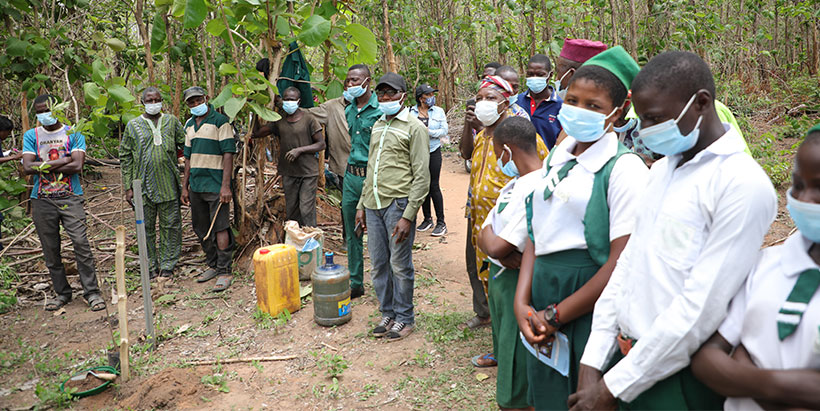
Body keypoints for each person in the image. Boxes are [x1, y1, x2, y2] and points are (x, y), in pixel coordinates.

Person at [569, 51, 778, 411]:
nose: (645, 130)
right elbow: (628, 266)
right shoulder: (662, 171)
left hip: (679, 377)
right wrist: (593, 361)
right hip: (627, 364)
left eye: (655, 118)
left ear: (701, 103)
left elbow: (701, 307)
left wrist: (612, 388)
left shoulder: (741, 185)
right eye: (642, 119)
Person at [501, 46, 648, 409]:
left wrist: (557, 314)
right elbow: (536, 232)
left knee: (580, 394)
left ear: (617, 113)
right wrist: (522, 302)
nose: (579, 110)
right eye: (573, 100)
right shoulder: (558, 156)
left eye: (593, 105)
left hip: (588, 297)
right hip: (541, 288)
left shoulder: (623, 169)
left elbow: (621, 261)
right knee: (547, 392)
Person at [690, 124, 820, 410]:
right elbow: (707, 358)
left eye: (819, 188)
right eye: (798, 185)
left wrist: (743, 366)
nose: (804, 199)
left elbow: (729, 361)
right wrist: (781, 387)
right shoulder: (766, 265)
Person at [468, 76, 549, 367]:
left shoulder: (521, 136)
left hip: (511, 236)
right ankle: (500, 347)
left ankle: (516, 352)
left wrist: (513, 247)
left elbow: (540, 176)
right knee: (493, 290)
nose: (483, 104)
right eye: (479, 98)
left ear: (506, 101)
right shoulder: (481, 136)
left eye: (490, 98)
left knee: (513, 293)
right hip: (483, 225)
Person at [476, 116, 545, 410]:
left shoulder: (537, 188)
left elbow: (493, 242)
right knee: (505, 347)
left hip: (519, 283)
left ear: (507, 151)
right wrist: (495, 247)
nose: (498, 160)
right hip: (502, 276)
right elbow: (483, 232)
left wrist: (494, 244)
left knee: (517, 361)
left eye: (497, 153)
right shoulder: (513, 186)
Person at [355, 72, 430, 341]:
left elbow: (422, 175)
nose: (386, 97)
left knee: (399, 264)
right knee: (378, 264)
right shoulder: (378, 124)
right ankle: (387, 313)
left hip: (398, 205)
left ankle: (405, 317)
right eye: (381, 93)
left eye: (391, 93)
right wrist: (362, 205)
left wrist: (409, 215)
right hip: (373, 204)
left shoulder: (414, 127)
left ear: (403, 96)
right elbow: (371, 168)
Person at [22, 94, 105, 311]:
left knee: (81, 243)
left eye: (46, 110)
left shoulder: (74, 133)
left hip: (70, 196)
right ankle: (62, 293)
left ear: (57, 108)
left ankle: (92, 292)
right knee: (50, 250)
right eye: (39, 112)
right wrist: (65, 159)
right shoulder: (31, 135)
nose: (44, 115)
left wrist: (44, 165)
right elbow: (27, 167)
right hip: (42, 199)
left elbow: (77, 166)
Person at [120, 87, 185, 279]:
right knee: (144, 227)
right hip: (142, 186)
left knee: (171, 226)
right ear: (142, 102)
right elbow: (125, 156)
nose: (154, 103)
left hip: (168, 183)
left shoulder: (172, 121)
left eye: (157, 100)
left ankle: (167, 265)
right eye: (149, 100)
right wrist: (128, 187)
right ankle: (149, 266)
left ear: (161, 101)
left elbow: (185, 145)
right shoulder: (133, 125)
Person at [180, 86, 237, 292]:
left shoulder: (220, 122)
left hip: (216, 184)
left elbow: (228, 154)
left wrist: (225, 186)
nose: (196, 104)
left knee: (220, 226)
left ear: (206, 98)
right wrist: (185, 187)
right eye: (191, 102)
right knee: (201, 227)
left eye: (198, 100)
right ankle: (212, 264)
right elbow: (187, 158)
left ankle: (224, 270)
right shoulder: (188, 125)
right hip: (197, 184)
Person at [254, 87, 325, 227]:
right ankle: (294, 237)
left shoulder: (309, 119)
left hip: (308, 172)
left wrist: (299, 150)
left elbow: (321, 144)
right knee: (292, 210)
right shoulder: (279, 119)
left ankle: (311, 236)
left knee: (306, 208)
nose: (288, 102)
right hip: (289, 171)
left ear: (298, 101)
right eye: (286, 99)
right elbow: (257, 133)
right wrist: (255, 111)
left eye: (292, 99)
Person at [342, 64, 382, 299]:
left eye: (355, 80)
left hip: (373, 178)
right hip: (351, 178)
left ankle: (383, 285)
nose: (351, 84)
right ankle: (356, 282)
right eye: (348, 80)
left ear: (368, 81)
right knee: (352, 233)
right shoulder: (349, 110)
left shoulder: (380, 110)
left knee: (377, 233)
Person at [410, 84, 448, 236]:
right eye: (429, 95)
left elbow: (444, 131)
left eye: (433, 94)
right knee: (421, 184)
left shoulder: (438, 111)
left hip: (433, 151)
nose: (432, 97)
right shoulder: (410, 112)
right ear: (421, 98)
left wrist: (428, 132)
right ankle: (427, 219)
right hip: (417, 153)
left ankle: (441, 222)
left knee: (434, 185)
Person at [516, 54, 564, 149]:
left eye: (540, 75)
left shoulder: (561, 107)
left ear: (550, 75)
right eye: (530, 74)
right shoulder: (517, 102)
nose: (534, 78)